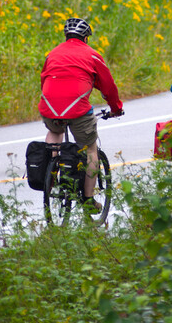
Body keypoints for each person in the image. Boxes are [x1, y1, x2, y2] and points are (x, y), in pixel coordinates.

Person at [39, 17, 124, 210]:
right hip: (77, 108)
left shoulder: (52, 54)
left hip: (50, 105)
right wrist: (116, 108)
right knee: (90, 150)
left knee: (55, 134)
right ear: (86, 38)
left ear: (66, 36)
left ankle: (50, 175)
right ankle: (87, 199)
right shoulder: (92, 55)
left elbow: (44, 80)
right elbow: (108, 87)